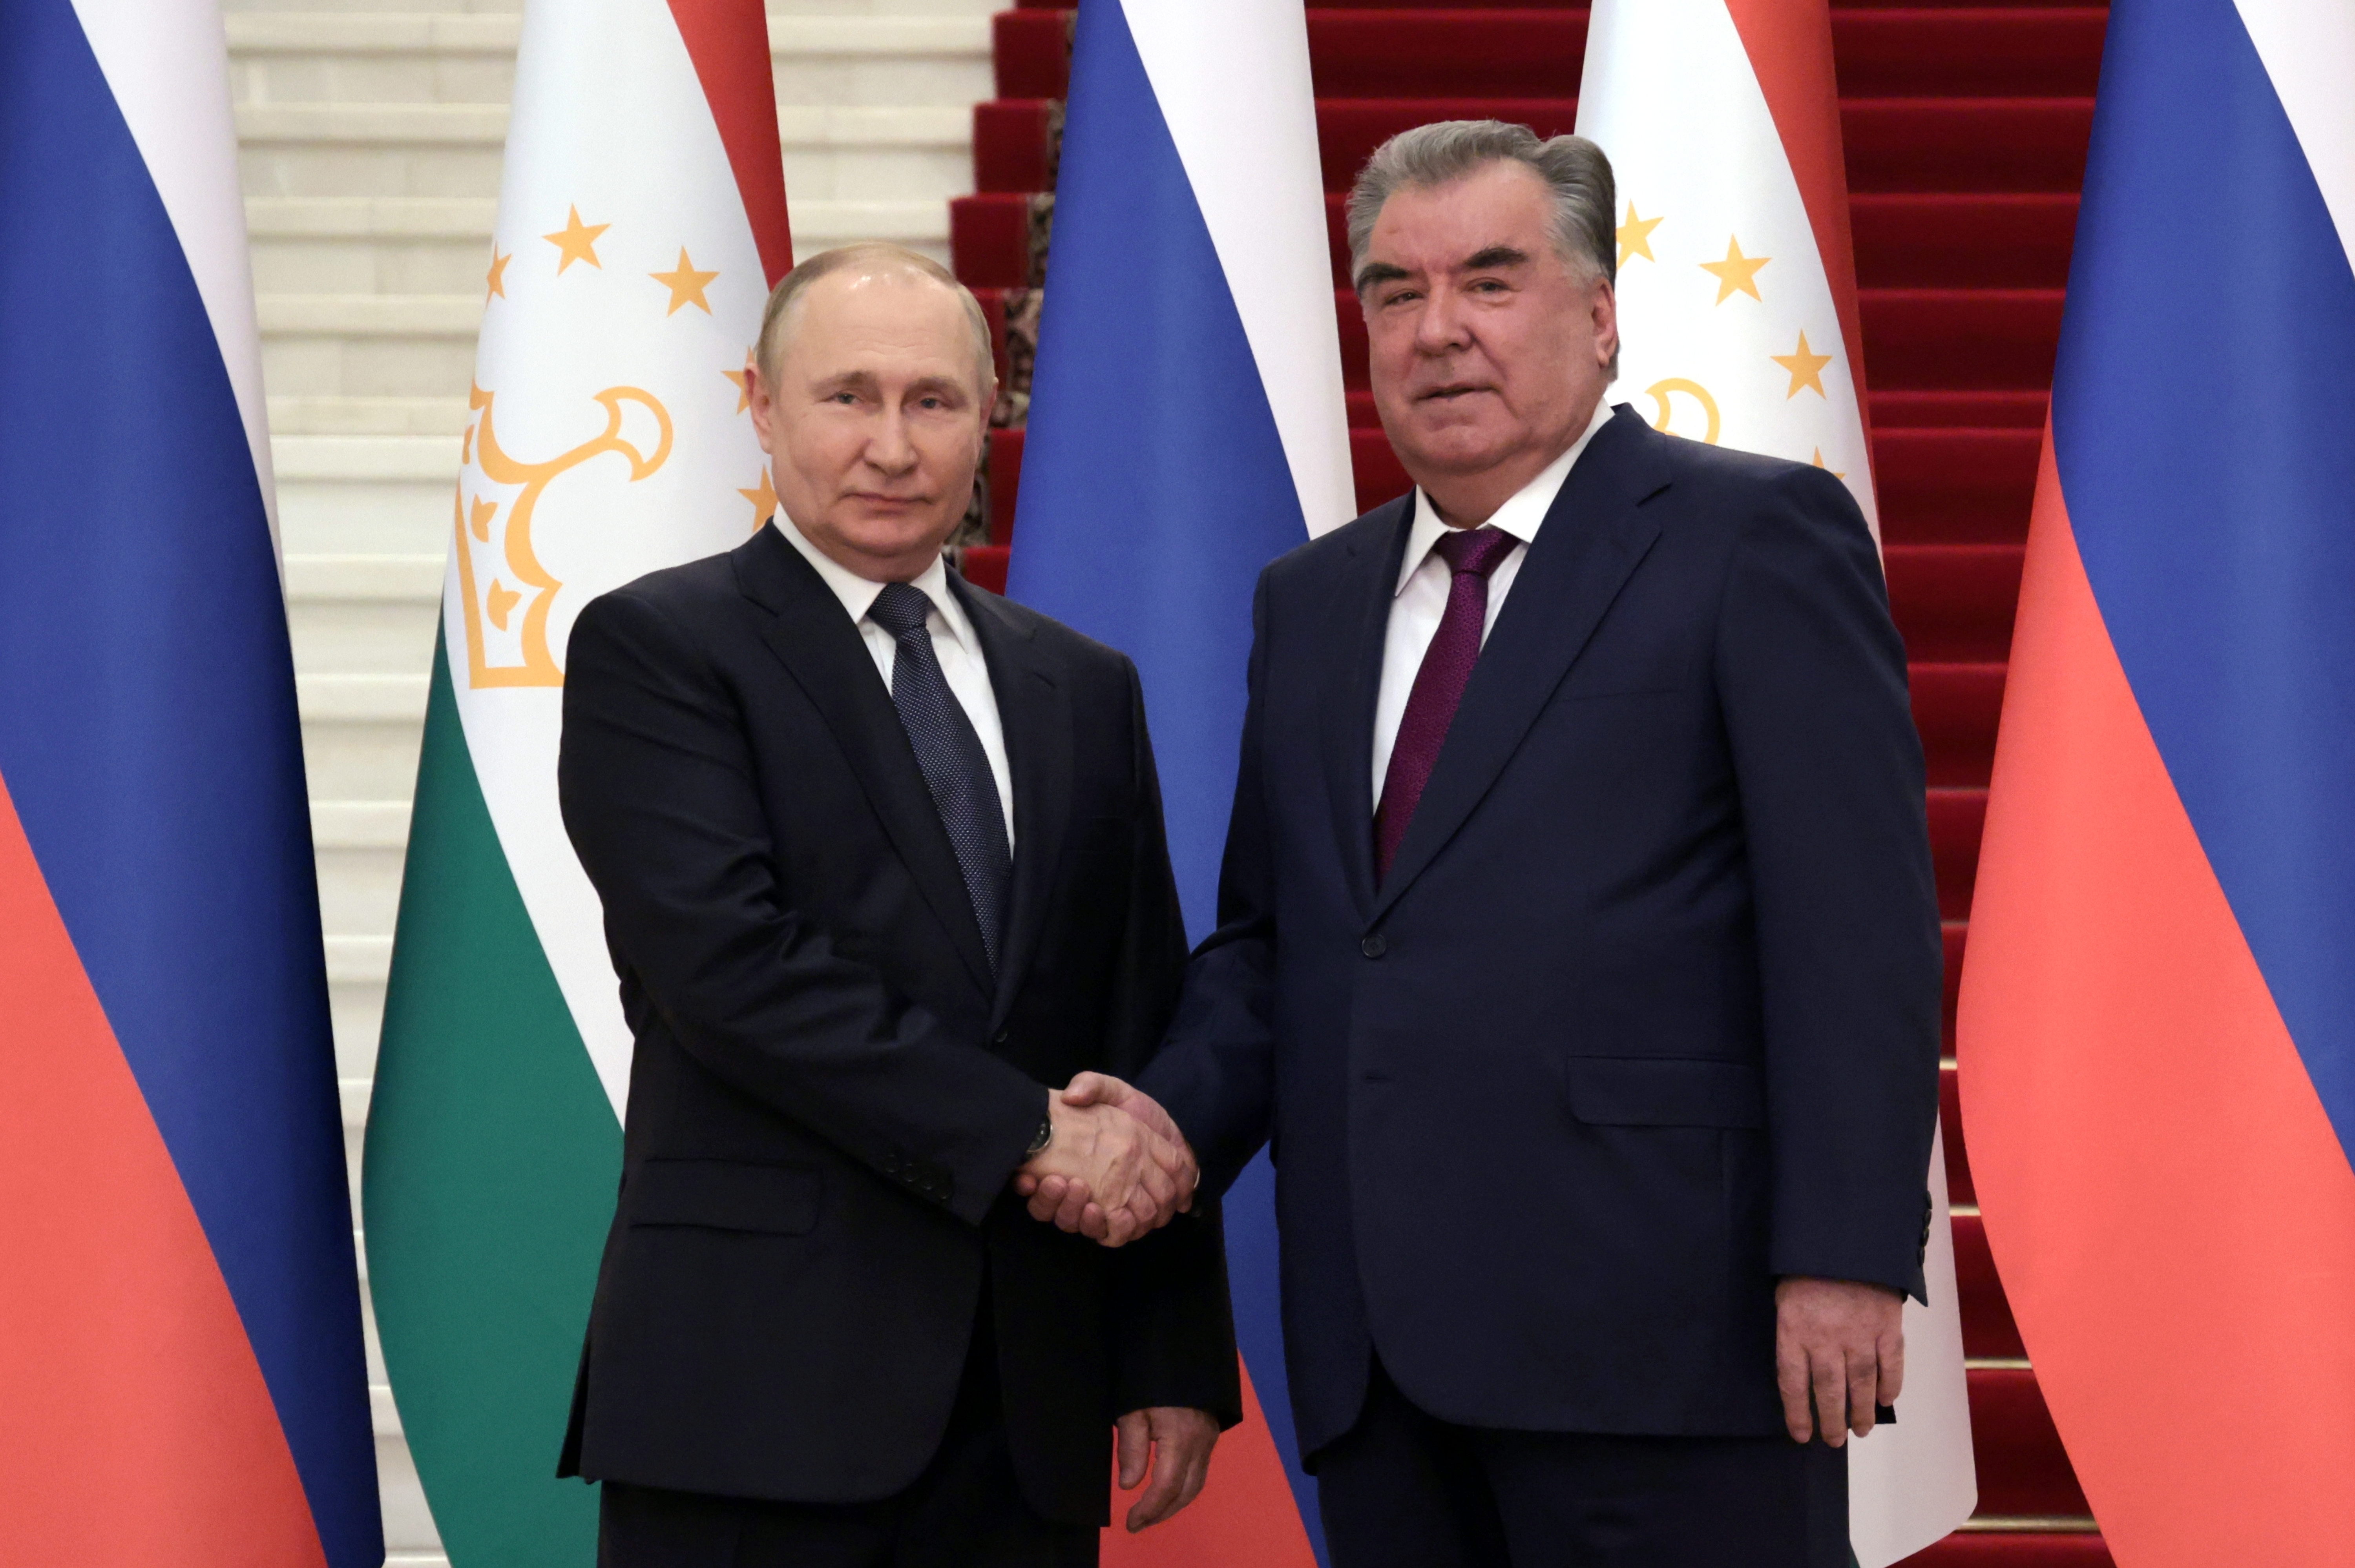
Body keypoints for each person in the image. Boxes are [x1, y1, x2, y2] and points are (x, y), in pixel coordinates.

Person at [1027, 122, 1942, 1566]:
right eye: (1397, 292)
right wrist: (1165, 1119)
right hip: (1384, 1358)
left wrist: (1841, 1253)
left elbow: (1856, 934)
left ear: (1598, 314)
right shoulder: (1310, 602)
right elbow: (1285, 943)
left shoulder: (1753, 538)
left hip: (1668, 1340)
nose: (1439, 330)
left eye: (1491, 282)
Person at [554, 242, 1236, 1568]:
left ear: (989, 418)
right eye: (846, 396)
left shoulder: (1083, 686)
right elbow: (729, 968)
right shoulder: (660, 648)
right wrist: (1032, 1131)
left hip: (1026, 1405)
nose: (891, 443)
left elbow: (1135, 1007)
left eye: (932, 401)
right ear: (761, 405)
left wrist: (1167, 1345)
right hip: (756, 1393)